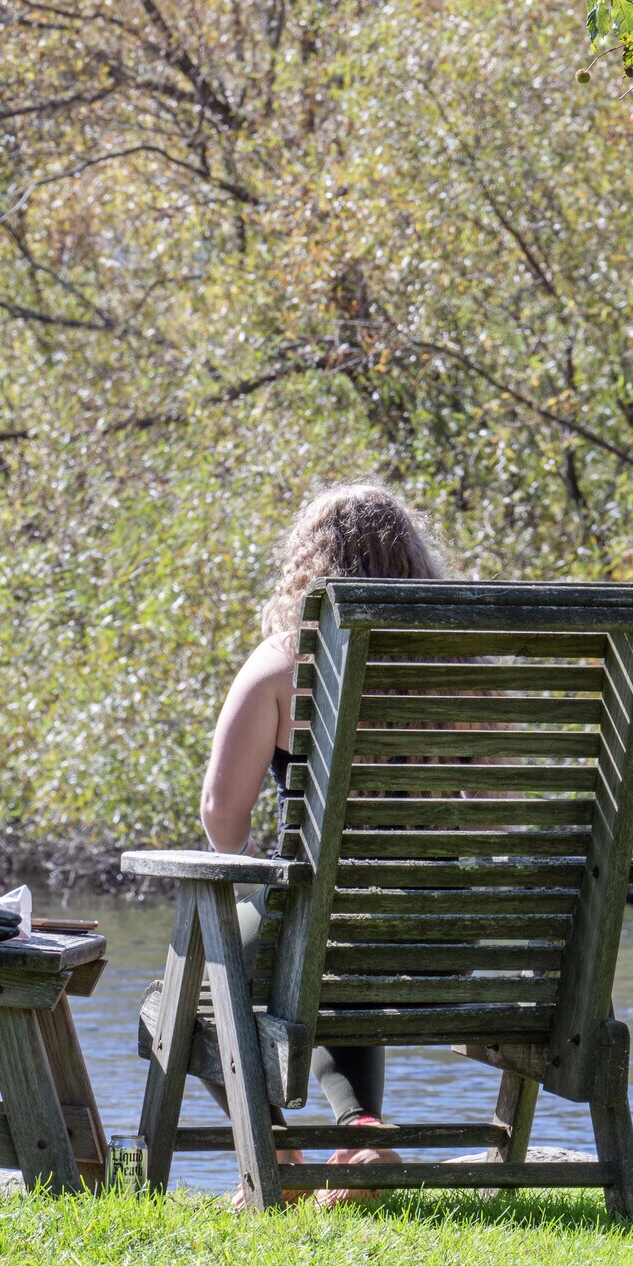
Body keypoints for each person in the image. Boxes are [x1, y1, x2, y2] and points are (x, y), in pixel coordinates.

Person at [199, 482, 444, 1209]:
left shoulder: (285, 663)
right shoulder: (456, 669)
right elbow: (494, 805)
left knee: (197, 990)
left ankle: (277, 1157)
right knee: (337, 966)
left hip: (315, 917)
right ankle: (363, 1138)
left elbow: (223, 818)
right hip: (438, 936)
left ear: (309, 563)